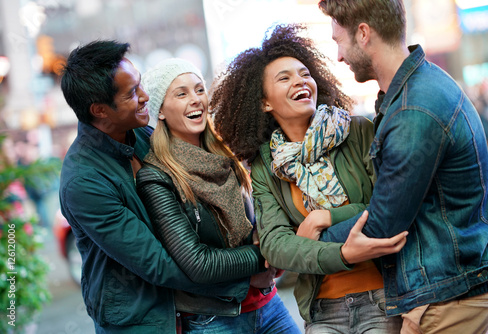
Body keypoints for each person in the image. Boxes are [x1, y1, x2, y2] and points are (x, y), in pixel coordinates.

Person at [308, 1, 488, 333]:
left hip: (446, 297)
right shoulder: (418, 86)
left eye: (339, 41)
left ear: (364, 34)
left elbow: (384, 224)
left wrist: (311, 241)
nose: (339, 56)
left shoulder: (414, 110)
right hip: (454, 287)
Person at [210, 23, 407, 333]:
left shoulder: (358, 132)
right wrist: (342, 254)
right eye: (284, 78)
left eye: (304, 73)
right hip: (322, 310)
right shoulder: (266, 165)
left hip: (382, 299)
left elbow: (385, 204)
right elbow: (276, 246)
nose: (300, 81)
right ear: (264, 102)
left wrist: (322, 218)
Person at [59, 40, 252, 333]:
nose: (145, 96)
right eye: (131, 93)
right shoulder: (83, 182)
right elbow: (158, 264)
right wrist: (253, 268)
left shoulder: (143, 134)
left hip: (192, 307)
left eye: (140, 84)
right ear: (100, 110)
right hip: (140, 318)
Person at [135, 58, 301, 334]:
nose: (196, 100)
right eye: (181, 93)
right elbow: (197, 263)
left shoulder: (226, 154)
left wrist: (272, 237)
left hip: (267, 305)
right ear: (161, 111)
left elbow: (259, 218)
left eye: (200, 89)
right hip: (214, 319)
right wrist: (268, 256)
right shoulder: (157, 177)